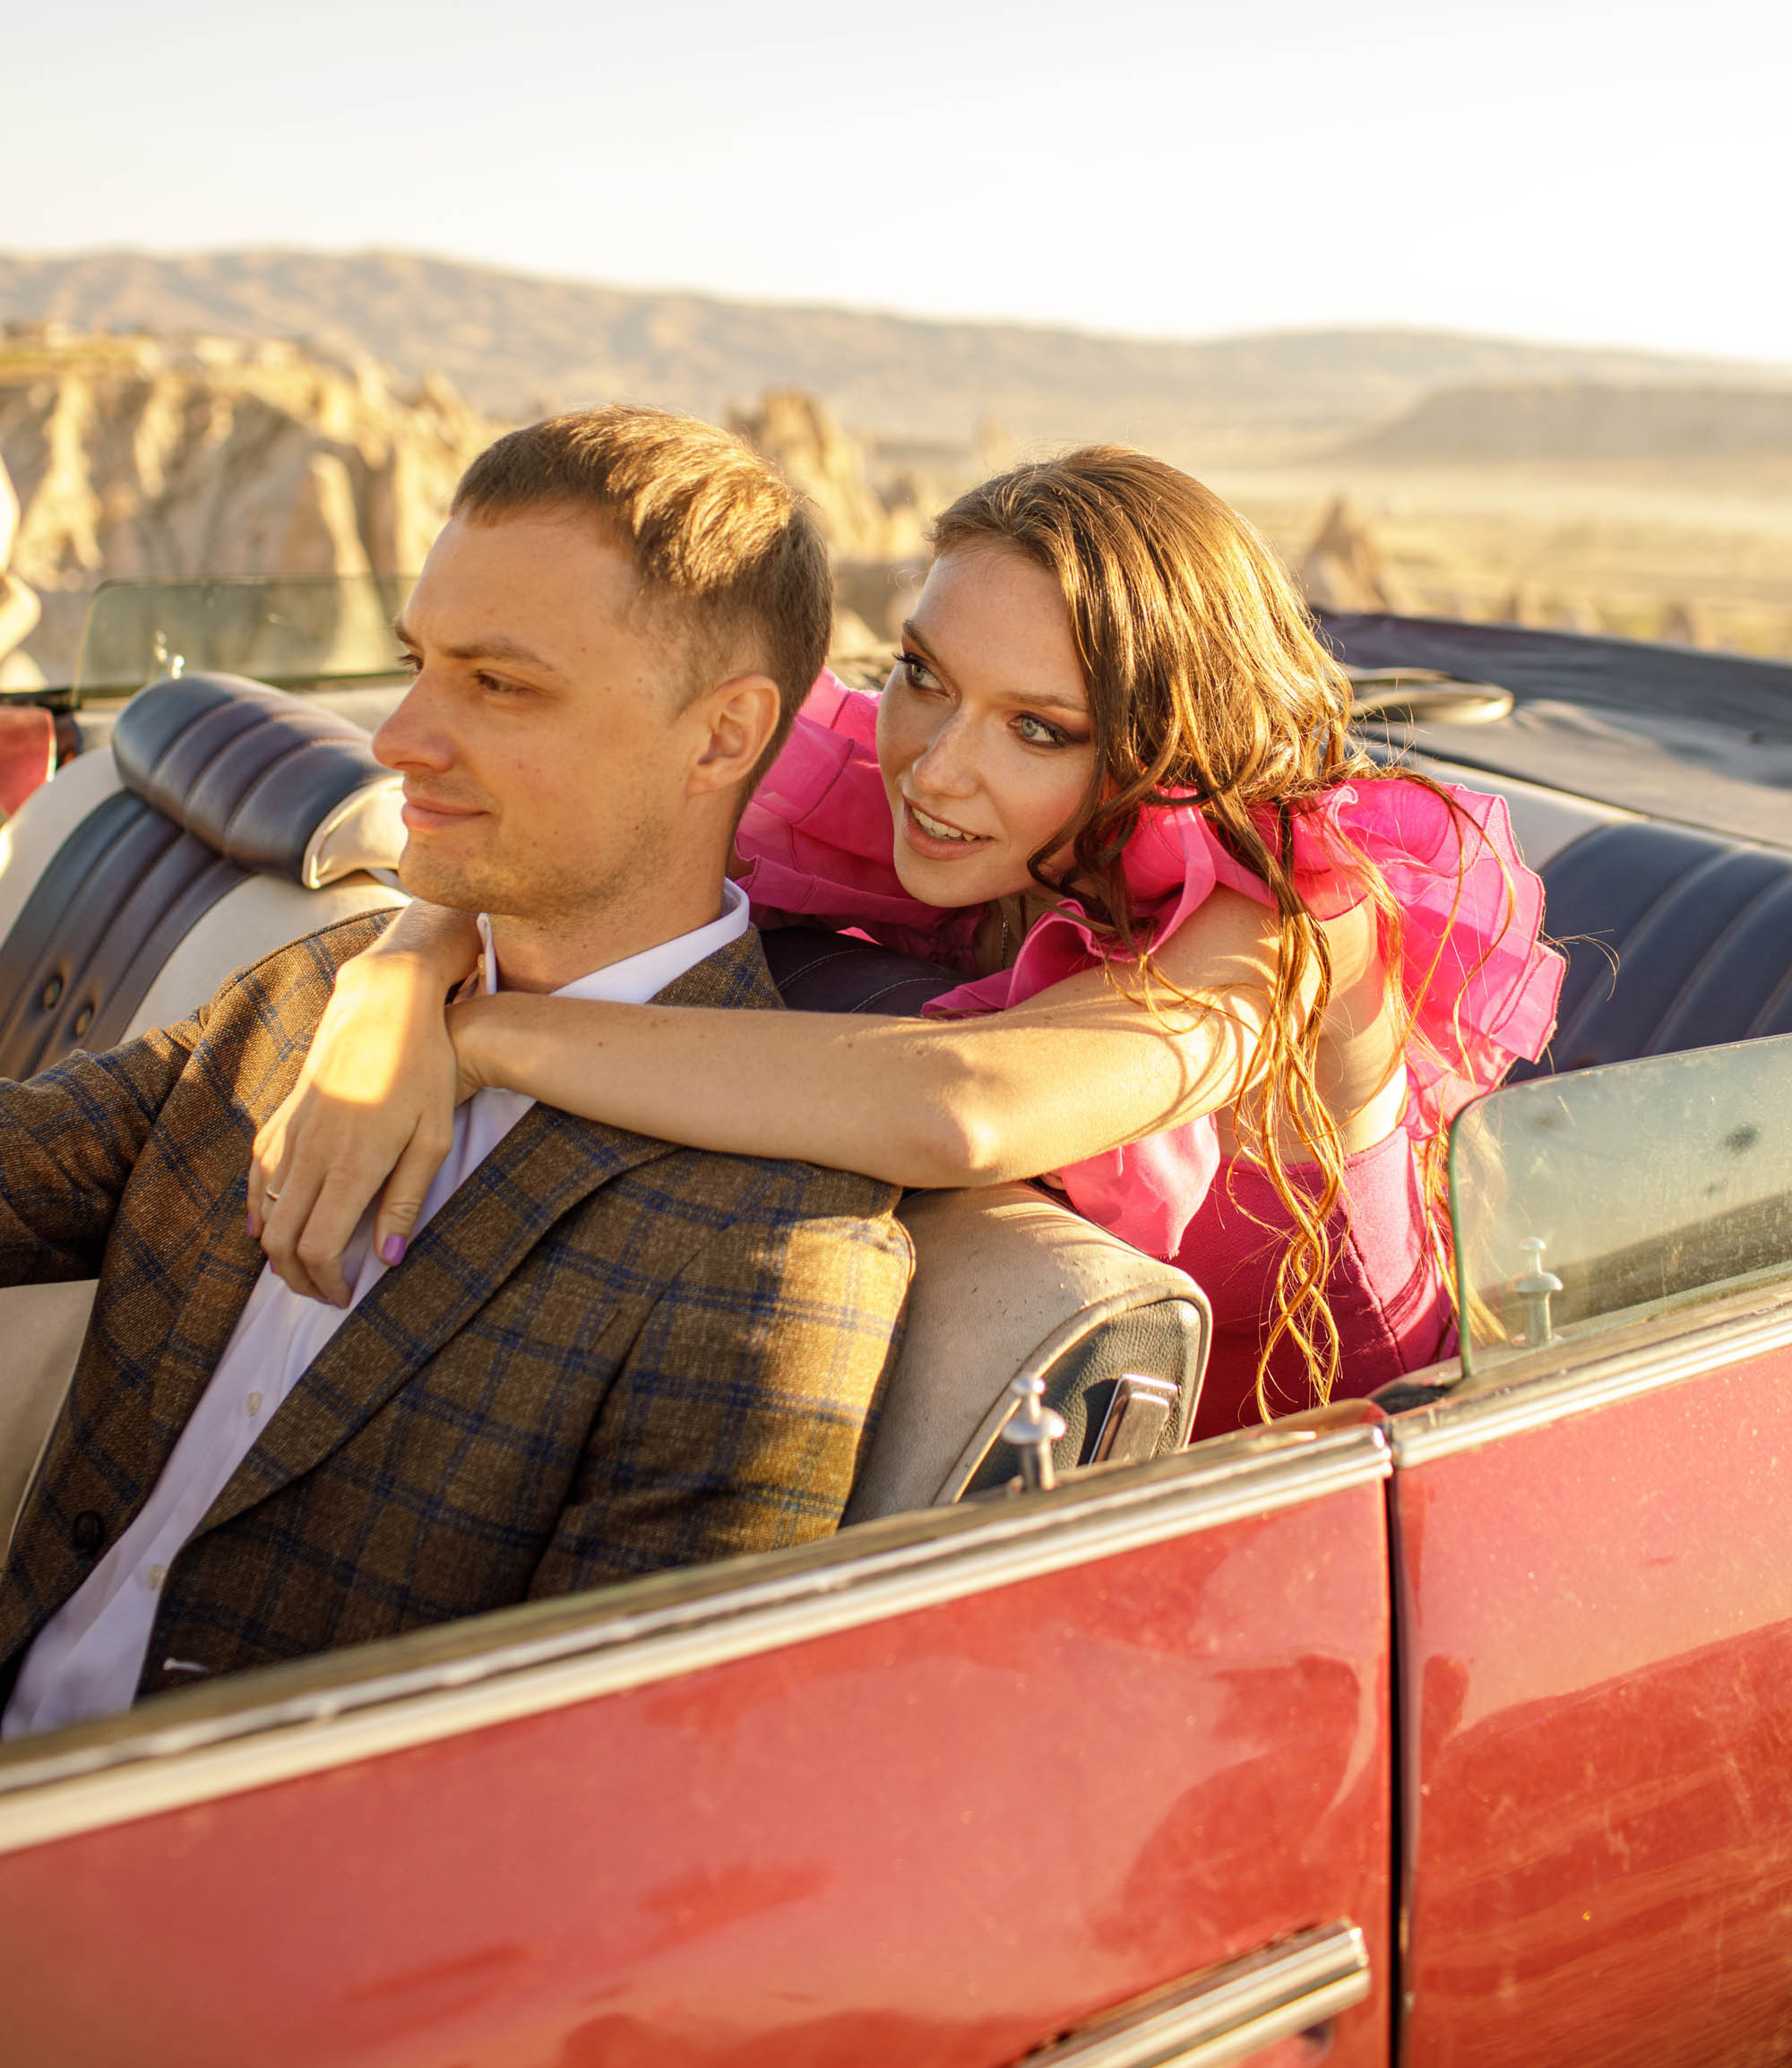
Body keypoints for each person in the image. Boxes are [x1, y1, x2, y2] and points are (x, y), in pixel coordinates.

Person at [251, 444, 1564, 1443]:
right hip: (1066, 1439)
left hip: (1334, 1446)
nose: (934, 768)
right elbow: (572, 823)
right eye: (923, 674)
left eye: (1039, 728)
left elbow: (966, 1111)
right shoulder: (958, 814)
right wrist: (401, 971)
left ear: (1159, 742)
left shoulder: (1289, 913)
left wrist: (480, 1037)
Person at [0, 410, 911, 1738]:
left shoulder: (777, 1242)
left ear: (722, 738)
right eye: (418, 663)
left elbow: (608, 1763)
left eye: (499, 685)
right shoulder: (330, 990)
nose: (400, 738)